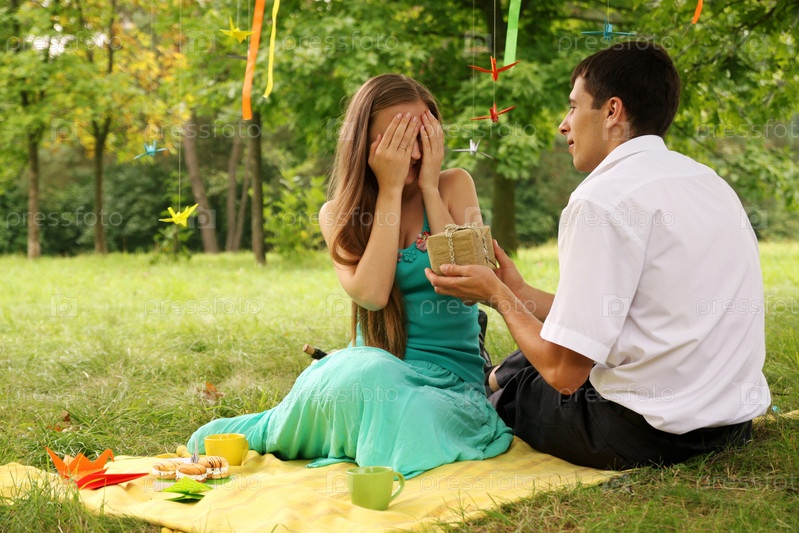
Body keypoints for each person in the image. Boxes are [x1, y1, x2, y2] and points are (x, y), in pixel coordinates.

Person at [426, 41, 771, 470]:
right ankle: (495, 373)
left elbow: (564, 375)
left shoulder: (601, 200)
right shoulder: (708, 182)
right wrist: (517, 291)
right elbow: (622, 312)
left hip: (647, 435)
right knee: (552, 342)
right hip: (731, 426)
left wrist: (497, 296)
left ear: (612, 112)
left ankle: (490, 380)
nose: (563, 125)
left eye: (573, 107)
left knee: (526, 388)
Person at [187, 74, 512, 478]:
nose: (413, 152)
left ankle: (360, 435)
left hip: (447, 387)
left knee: (407, 412)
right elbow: (372, 295)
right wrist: (389, 191)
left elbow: (470, 286)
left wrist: (430, 188)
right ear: (365, 145)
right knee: (368, 373)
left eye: (422, 136)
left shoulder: (454, 185)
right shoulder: (337, 214)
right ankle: (307, 427)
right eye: (398, 140)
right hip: (368, 373)